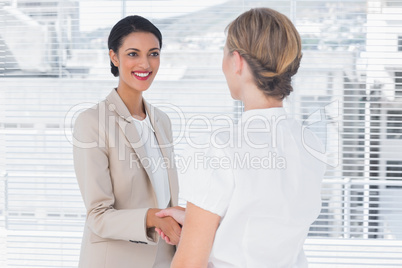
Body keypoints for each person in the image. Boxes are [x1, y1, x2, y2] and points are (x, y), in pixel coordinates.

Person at [155, 8, 326, 267]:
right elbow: (267, 224)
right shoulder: (311, 143)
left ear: (237, 61)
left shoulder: (223, 146)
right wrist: (201, 220)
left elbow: (189, 263)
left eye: (224, 54)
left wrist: (196, 229)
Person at [72, 15, 181, 268]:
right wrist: (153, 218)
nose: (145, 63)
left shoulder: (162, 121)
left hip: (166, 257)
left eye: (153, 53)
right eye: (133, 54)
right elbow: (98, 216)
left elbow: (161, 197)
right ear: (114, 57)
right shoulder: (92, 122)